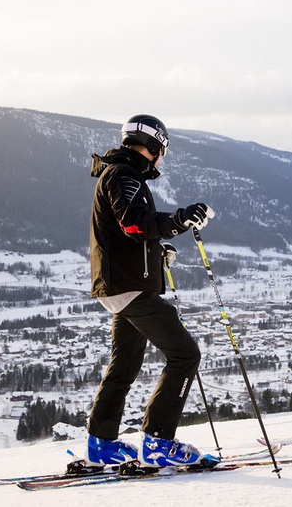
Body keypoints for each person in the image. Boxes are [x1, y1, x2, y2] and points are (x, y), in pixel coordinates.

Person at [86, 114, 211, 468]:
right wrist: (177, 221)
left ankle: (102, 443)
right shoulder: (124, 175)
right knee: (185, 354)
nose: (162, 159)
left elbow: (126, 232)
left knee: (125, 362)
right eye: (163, 151)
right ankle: (158, 442)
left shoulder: (119, 173)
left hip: (120, 286)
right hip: (129, 287)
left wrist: (158, 252)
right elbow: (133, 222)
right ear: (154, 146)